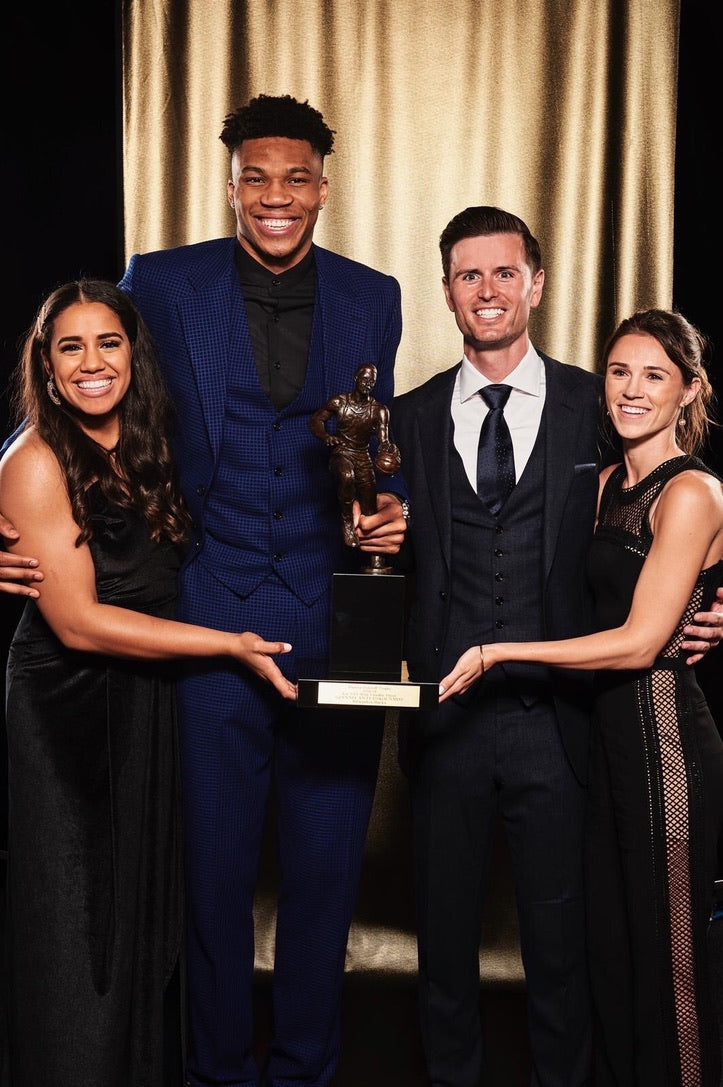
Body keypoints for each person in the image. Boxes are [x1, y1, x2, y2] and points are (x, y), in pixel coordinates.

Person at [0, 94, 408, 1087]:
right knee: (212, 881)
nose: (276, 195)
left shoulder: (375, 295)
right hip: (202, 623)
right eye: (256, 176)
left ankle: (306, 1069)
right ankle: (218, 1072)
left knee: (323, 881)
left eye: (296, 176)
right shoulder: (163, 284)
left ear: (322, 185)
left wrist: (388, 508)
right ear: (229, 183)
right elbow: (77, 409)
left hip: (330, 629)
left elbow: (375, 450)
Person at [390, 206, 723, 1087]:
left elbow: (673, 521)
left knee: (565, 953)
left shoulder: (598, 405)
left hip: (563, 724)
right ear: (448, 292)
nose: (488, 291)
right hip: (446, 718)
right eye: (469, 275)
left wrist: (713, 602)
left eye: (505, 273)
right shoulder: (411, 416)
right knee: (444, 951)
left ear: (535, 284)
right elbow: (393, 549)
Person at [0, 279, 296, 1087]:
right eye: (71, 347)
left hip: (143, 698)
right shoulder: (33, 457)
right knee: (78, 919)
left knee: (139, 912)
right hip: (67, 709)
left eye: (109, 342)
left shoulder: (143, 441)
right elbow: (78, 622)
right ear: (48, 367)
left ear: (134, 353)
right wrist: (227, 643)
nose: (93, 362)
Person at [309, 362, 402, 567]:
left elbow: (384, 439)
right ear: (356, 379)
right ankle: (346, 520)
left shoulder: (379, 410)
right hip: (342, 453)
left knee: (370, 505)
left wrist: (389, 452)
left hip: (362, 456)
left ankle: (375, 557)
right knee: (346, 476)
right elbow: (316, 420)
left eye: (372, 381)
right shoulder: (339, 402)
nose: (368, 384)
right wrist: (326, 437)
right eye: (364, 379)